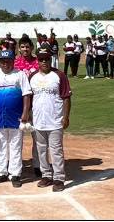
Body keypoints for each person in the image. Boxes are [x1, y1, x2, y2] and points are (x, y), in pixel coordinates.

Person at [29, 47, 71, 192]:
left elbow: (66, 98)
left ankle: (59, 177)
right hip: (38, 120)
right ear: (37, 61)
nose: (44, 61)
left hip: (55, 120)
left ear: (50, 59)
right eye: (41, 59)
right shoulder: (33, 77)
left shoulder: (59, 75)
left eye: (46, 58)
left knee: (56, 150)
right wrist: (28, 116)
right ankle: (46, 175)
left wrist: (66, 117)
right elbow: (29, 99)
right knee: (41, 149)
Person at [0, 49, 31, 187]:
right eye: (3, 61)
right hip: (0, 117)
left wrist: (25, 113)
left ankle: (15, 174)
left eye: (8, 61)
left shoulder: (20, 75)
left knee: (15, 145)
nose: (5, 64)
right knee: (1, 145)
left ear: (13, 61)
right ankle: (2, 172)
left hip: (16, 117)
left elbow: (26, 94)